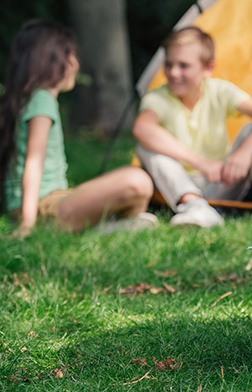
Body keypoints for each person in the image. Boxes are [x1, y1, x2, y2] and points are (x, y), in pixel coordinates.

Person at [132, 27, 252, 227]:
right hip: (177, 185)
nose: (173, 73)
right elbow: (142, 128)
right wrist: (200, 163)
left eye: (183, 65)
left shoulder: (219, 91)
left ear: (208, 68)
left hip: (221, 181)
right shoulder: (158, 98)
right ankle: (193, 205)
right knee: (146, 145)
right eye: (168, 64)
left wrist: (244, 153)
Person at [1, 20, 157, 238]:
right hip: (43, 206)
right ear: (51, 59)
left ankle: (101, 228)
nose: (76, 63)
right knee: (137, 181)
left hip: (52, 200)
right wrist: (27, 222)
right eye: (71, 55)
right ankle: (97, 228)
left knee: (136, 188)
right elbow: (33, 163)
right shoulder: (42, 100)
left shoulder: (33, 99)